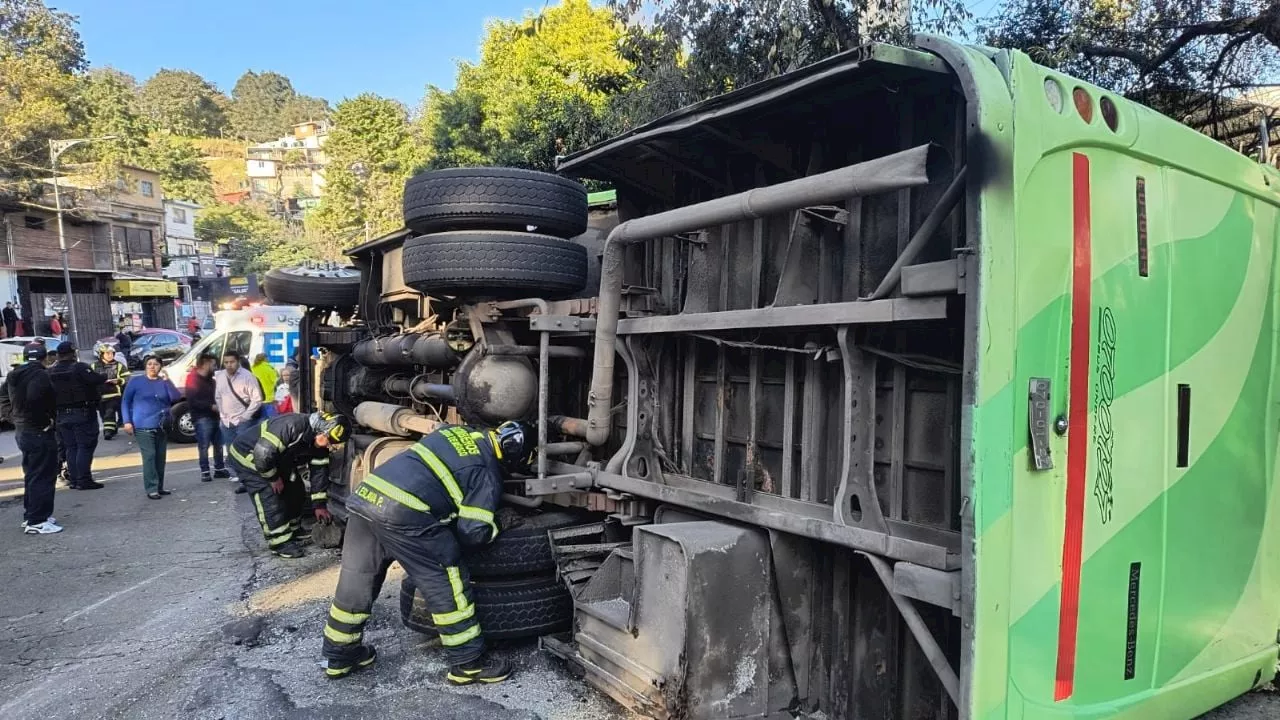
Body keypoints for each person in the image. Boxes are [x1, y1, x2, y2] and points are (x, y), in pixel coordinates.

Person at [320, 421, 533, 684]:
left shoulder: (455, 431)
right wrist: (499, 523)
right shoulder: (487, 471)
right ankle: (468, 662)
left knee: (356, 580)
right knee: (446, 576)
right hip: (404, 511)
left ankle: (339, 655)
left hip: (368, 496)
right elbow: (473, 533)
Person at [228, 411, 347, 559]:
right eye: (329, 442)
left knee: (295, 489)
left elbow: (319, 473)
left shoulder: (319, 444)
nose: (329, 447)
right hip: (249, 454)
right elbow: (263, 454)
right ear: (321, 431)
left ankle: (294, 530)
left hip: (275, 459)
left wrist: (319, 505)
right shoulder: (292, 425)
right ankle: (279, 543)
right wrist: (272, 478)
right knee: (269, 496)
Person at [0, 343, 62, 534]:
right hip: (38, 431)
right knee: (43, 475)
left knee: (33, 474)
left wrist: (14, 418)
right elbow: (38, 399)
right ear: (45, 357)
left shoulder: (14, 375)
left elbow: (3, 399)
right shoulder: (41, 375)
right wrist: (48, 420)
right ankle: (37, 520)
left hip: (22, 430)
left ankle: (32, 515)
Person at [48, 342, 107, 491]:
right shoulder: (79, 368)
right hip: (82, 412)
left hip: (61, 414)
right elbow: (96, 379)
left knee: (71, 447)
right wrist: (105, 375)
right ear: (72, 353)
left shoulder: (51, 371)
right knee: (84, 446)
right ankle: (84, 479)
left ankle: (74, 479)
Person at [121, 356, 181, 500]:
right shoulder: (136, 382)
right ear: (145, 366)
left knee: (160, 458)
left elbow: (175, 397)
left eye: (155, 364)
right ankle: (151, 488)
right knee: (149, 456)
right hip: (143, 425)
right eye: (149, 364)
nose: (152, 367)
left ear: (160, 367)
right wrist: (127, 421)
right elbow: (125, 402)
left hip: (162, 424)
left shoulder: (163, 382)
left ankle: (159, 486)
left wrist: (168, 381)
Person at [215, 352, 263, 494]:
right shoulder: (220, 376)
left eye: (232, 362)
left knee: (245, 451)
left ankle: (250, 481)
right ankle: (242, 479)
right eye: (226, 362)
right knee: (232, 452)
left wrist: (246, 416)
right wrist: (221, 414)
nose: (229, 365)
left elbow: (257, 398)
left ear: (238, 362)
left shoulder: (247, 376)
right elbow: (218, 396)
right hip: (226, 421)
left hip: (243, 421)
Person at [186, 353, 229, 483]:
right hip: (202, 417)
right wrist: (210, 406)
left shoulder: (211, 380)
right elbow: (193, 400)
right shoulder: (193, 379)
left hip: (216, 416)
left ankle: (219, 468)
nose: (215, 368)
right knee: (204, 445)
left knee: (219, 444)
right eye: (213, 364)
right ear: (206, 363)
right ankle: (205, 471)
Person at [92, 343, 130, 440]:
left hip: (114, 395)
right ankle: (112, 428)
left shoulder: (119, 365)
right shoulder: (93, 366)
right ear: (101, 354)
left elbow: (127, 377)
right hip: (99, 396)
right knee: (103, 415)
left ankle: (107, 432)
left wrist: (119, 381)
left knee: (109, 412)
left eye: (112, 353)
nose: (110, 355)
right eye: (107, 353)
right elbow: (89, 380)